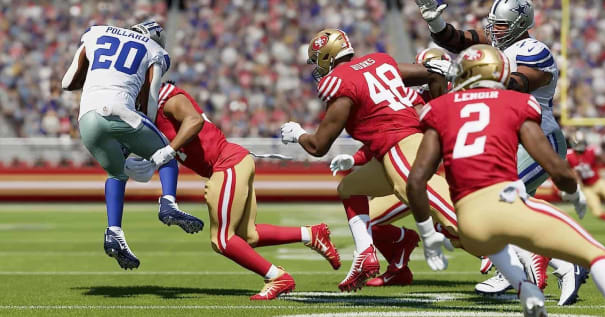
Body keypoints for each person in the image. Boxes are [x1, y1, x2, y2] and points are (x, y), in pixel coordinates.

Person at [405, 44, 605, 316]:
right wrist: (573, 193)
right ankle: (562, 268)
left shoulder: (440, 108)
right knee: (599, 255)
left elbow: (416, 181)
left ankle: (527, 290)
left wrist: (428, 233)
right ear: (500, 71)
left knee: (498, 244)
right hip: (504, 204)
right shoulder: (517, 102)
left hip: (469, 224)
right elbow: (555, 167)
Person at [416, 0, 588, 303]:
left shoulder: (535, 51)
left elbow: (519, 84)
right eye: (493, 24)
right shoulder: (495, 44)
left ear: (520, 23)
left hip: (537, 134)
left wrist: (470, 77)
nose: (494, 30)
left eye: (502, 25)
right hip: (505, 137)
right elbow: (458, 40)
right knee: (511, 211)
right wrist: (437, 24)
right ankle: (558, 263)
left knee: (494, 201)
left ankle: (555, 264)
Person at [124, 81, 341, 300]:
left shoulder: (165, 97)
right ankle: (311, 234)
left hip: (226, 163)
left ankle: (277, 277)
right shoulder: (150, 109)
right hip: (232, 162)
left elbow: (194, 120)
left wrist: (169, 150)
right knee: (249, 234)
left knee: (222, 240)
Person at [280, 28, 455, 291]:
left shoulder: (340, 80)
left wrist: (298, 134)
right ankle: (365, 254)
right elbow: (434, 72)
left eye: (318, 60)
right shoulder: (379, 62)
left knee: (458, 221)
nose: (318, 68)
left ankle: (521, 251)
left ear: (327, 56)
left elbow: (318, 146)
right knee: (350, 187)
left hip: (403, 151)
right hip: (391, 153)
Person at [61, 21, 204, 270]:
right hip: (120, 112)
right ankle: (168, 203)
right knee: (167, 154)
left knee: (117, 173)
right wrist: (140, 137)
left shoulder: (97, 32)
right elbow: (149, 102)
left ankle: (114, 230)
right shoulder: (154, 50)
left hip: (87, 119)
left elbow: (67, 83)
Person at [329, 47, 456, 287]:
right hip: (410, 170)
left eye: (424, 71)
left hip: (435, 176)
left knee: (463, 226)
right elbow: (391, 137)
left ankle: (519, 255)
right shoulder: (409, 98)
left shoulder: (453, 100)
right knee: (366, 219)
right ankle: (399, 261)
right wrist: (355, 159)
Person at [567, 132, 605, 229]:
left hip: (598, 182)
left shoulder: (591, 151)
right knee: (597, 212)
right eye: (579, 142)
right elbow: (568, 170)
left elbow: (604, 160)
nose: (581, 145)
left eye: (582, 142)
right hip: (587, 187)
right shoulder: (569, 156)